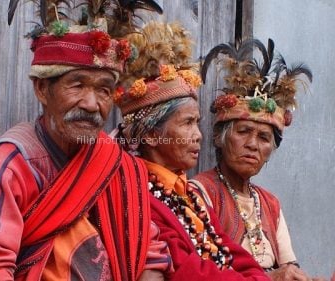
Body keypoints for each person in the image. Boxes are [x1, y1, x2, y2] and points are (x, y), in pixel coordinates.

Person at [0, 1, 171, 280]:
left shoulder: (118, 166)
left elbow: (149, 253)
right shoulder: (10, 166)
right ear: (42, 89)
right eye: (77, 85)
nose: (92, 104)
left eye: (103, 90)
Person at [113, 21, 270, 281]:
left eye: (196, 123)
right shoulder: (139, 195)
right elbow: (186, 270)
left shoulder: (184, 192)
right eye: (187, 123)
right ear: (152, 136)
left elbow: (227, 249)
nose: (198, 136)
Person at [193, 39, 325, 281]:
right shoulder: (200, 192)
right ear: (220, 138)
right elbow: (201, 270)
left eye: (264, 137)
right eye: (243, 132)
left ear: (270, 150)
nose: (253, 144)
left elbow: (289, 267)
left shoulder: (269, 203)